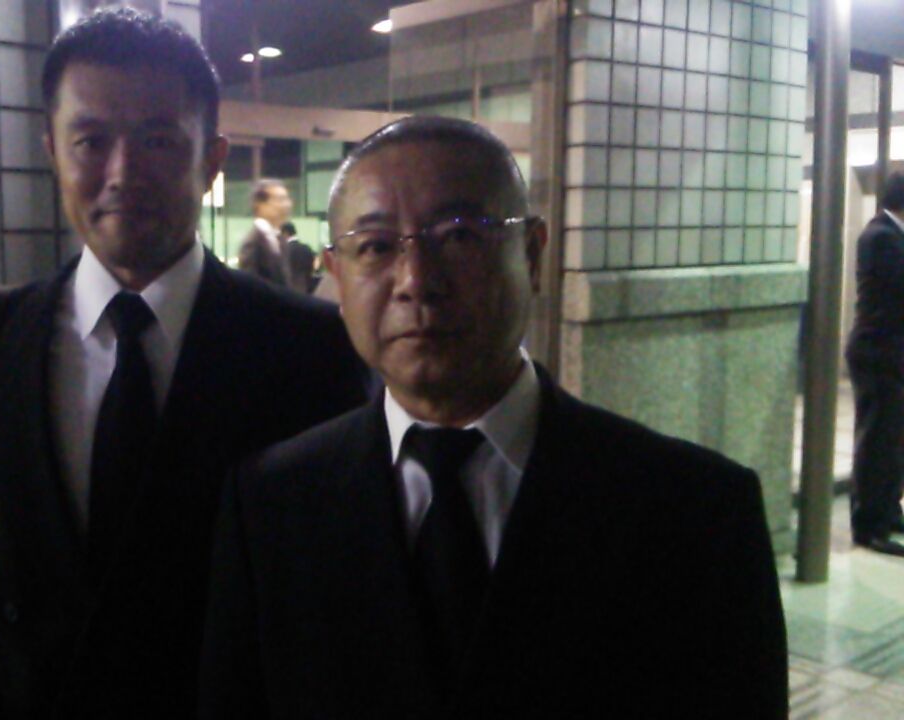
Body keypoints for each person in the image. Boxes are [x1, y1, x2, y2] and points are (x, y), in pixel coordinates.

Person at [199, 117, 788, 718]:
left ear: (531, 254)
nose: (416, 281)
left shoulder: (696, 513)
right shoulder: (270, 503)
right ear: (336, 275)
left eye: (458, 235)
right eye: (375, 246)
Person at [0, 9, 368, 719]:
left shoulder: (308, 346)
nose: (122, 173)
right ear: (52, 150)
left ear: (212, 159)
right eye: (91, 141)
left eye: (158, 140)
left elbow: (332, 599)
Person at [846, 172, 904, 557]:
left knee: (894, 440)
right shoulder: (881, 237)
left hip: (892, 353)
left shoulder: (892, 235)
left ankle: (889, 509)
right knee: (878, 442)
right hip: (878, 354)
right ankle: (869, 525)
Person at [236, 178, 293, 287]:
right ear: (260, 205)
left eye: (287, 199)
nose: (287, 205)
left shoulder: (280, 239)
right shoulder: (252, 243)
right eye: (280, 199)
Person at [279, 221, 317, 295]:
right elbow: (312, 268)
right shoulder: (307, 248)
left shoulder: (284, 250)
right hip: (307, 291)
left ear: (285, 233)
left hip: (289, 292)